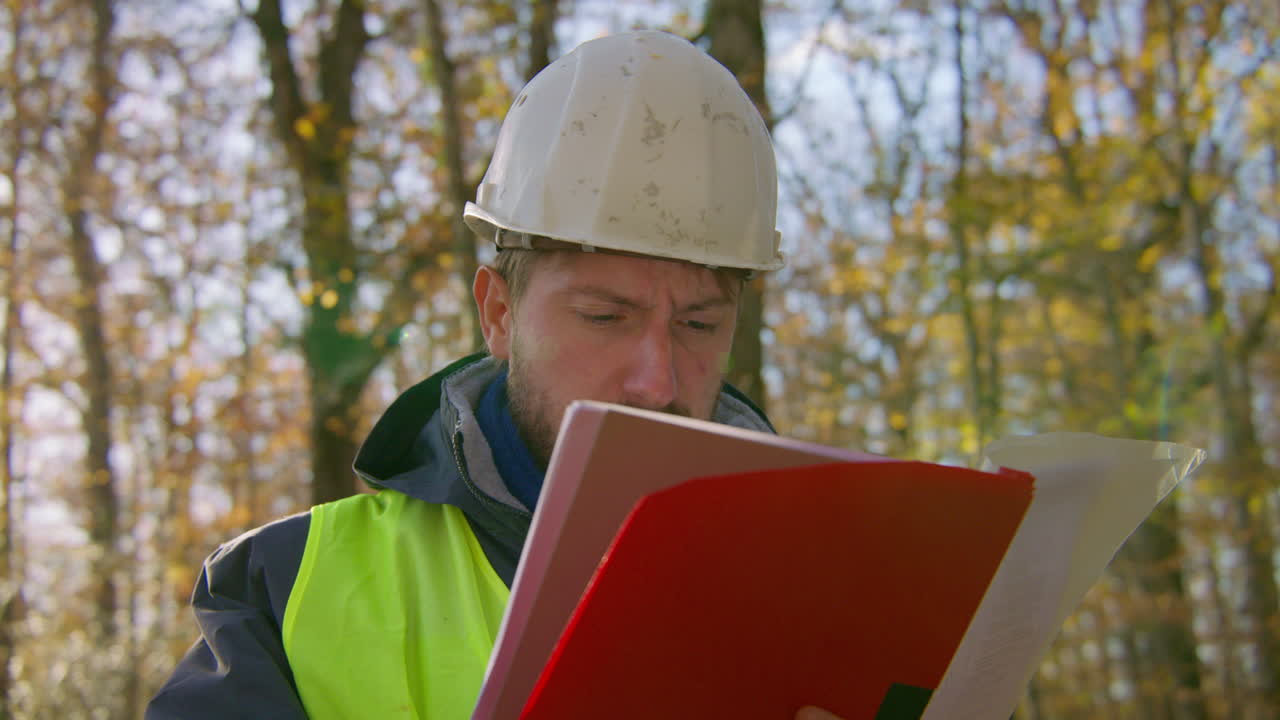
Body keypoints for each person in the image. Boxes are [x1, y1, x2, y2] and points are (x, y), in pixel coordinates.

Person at [148, 30, 837, 719]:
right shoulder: (286, 597)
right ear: (500, 314)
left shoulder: (826, 598)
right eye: (605, 317)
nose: (657, 384)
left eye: (698, 324)